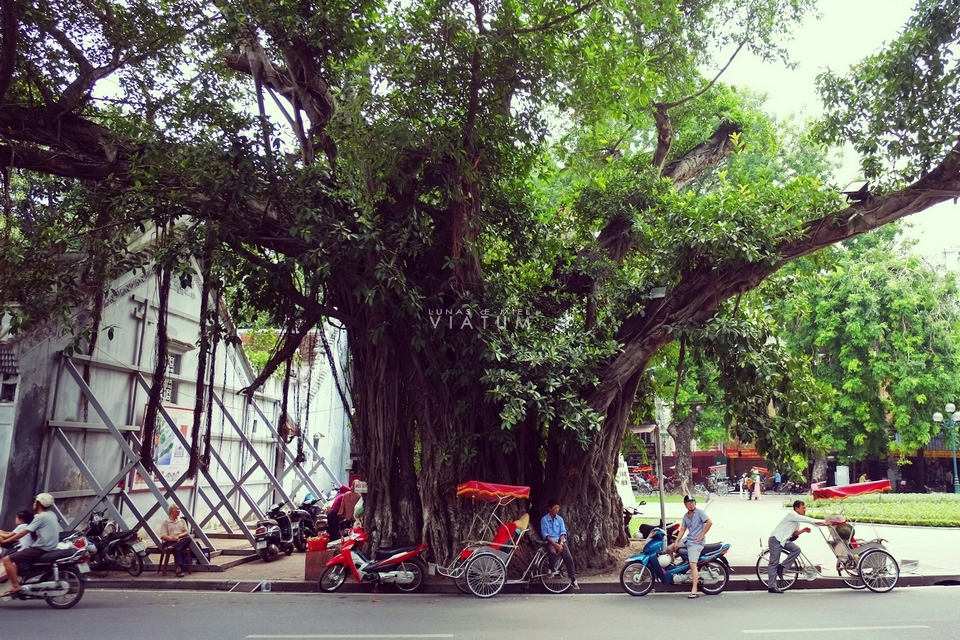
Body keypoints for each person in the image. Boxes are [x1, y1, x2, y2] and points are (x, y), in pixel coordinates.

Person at [1, 493, 62, 596]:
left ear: (38, 504)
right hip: (50, 546)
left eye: (35, 502)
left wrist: (4, 542)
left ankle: (15, 585)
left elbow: (22, 533)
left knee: (7, 560)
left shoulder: (40, 517)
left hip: (41, 548)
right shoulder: (51, 514)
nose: (33, 504)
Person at [766, 500, 826, 594]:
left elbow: (794, 533)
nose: (805, 510)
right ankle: (772, 586)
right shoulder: (792, 514)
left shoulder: (797, 519)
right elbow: (808, 520)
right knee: (774, 562)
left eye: (805, 507)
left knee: (796, 549)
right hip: (776, 539)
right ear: (796, 508)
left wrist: (803, 531)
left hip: (784, 540)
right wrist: (822, 522)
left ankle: (782, 567)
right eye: (803, 508)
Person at [668, 495, 712, 598]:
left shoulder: (700, 513)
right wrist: (677, 541)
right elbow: (683, 529)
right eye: (688, 503)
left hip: (696, 542)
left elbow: (709, 522)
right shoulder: (686, 516)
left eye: (693, 502)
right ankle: (674, 567)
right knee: (669, 548)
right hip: (688, 539)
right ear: (685, 505)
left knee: (693, 564)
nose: (691, 504)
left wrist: (701, 536)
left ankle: (694, 589)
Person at [540, 499, 579, 590]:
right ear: (550, 508)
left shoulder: (560, 519)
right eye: (555, 507)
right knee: (552, 553)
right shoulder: (544, 519)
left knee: (569, 558)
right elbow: (545, 534)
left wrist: (561, 544)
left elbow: (563, 533)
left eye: (558, 507)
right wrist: (555, 544)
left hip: (560, 541)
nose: (557, 509)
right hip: (550, 541)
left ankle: (573, 579)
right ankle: (551, 568)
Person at [159, 505, 193, 577]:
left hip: (180, 540)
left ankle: (172, 547)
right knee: (178, 549)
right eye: (176, 510)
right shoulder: (166, 522)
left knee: (188, 539)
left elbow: (187, 532)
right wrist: (172, 539)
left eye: (179, 509)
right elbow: (163, 535)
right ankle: (178, 570)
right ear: (171, 511)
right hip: (169, 541)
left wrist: (178, 537)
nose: (179, 511)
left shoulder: (182, 521)